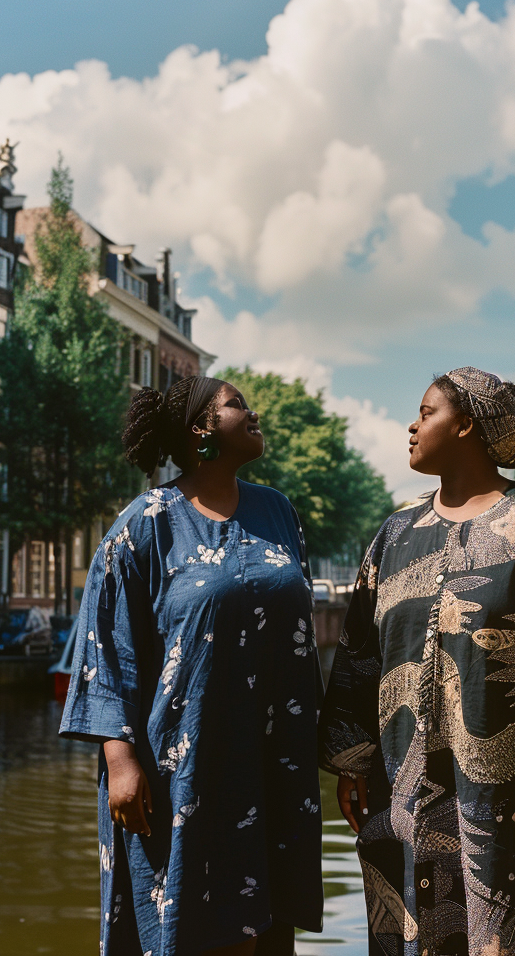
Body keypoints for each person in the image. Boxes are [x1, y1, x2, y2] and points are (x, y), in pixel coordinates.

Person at [318, 367, 515, 955]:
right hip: (403, 787)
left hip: (514, 791)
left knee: (512, 931)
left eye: (427, 412)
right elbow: (361, 653)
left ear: (465, 425)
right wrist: (352, 758)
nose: (412, 426)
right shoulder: (394, 535)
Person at [60, 376, 323, 956]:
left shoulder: (277, 511)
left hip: (270, 759)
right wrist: (120, 758)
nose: (252, 413)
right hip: (183, 765)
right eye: (236, 405)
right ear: (201, 429)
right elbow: (105, 646)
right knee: (191, 928)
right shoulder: (146, 521)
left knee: (263, 930)